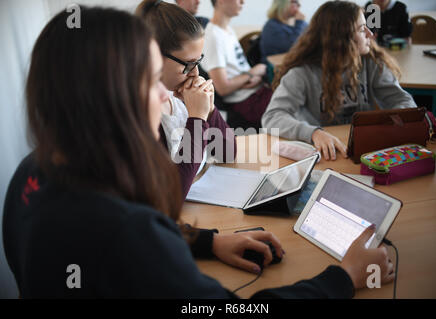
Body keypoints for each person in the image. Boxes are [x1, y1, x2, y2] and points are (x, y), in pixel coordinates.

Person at [3, 6, 394, 298]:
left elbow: (216, 155)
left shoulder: (32, 170)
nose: (162, 94)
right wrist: (344, 277)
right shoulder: (127, 232)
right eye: (146, 79)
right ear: (106, 97)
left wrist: (206, 242)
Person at [262, 0, 417, 161]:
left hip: (362, 151)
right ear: (340, 37)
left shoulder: (371, 63)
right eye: (361, 29)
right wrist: (314, 133)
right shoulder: (301, 74)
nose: (370, 34)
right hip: (324, 154)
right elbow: (272, 117)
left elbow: (402, 100)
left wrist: (391, 124)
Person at [136, 0, 236, 200]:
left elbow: (226, 153)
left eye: (198, 61)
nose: (196, 73)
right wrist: (197, 120)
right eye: (188, 64)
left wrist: (209, 110)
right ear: (152, 56)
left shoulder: (179, 95)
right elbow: (170, 193)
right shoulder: (141, 113)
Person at [201, 0, 273, 129]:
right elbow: (223, 88)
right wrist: (253, 72)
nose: (242, 2)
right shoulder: (213, 37)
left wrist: (254, 76)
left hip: (255, 92)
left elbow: (239, 70)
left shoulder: (227, 30)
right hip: (245, 101)